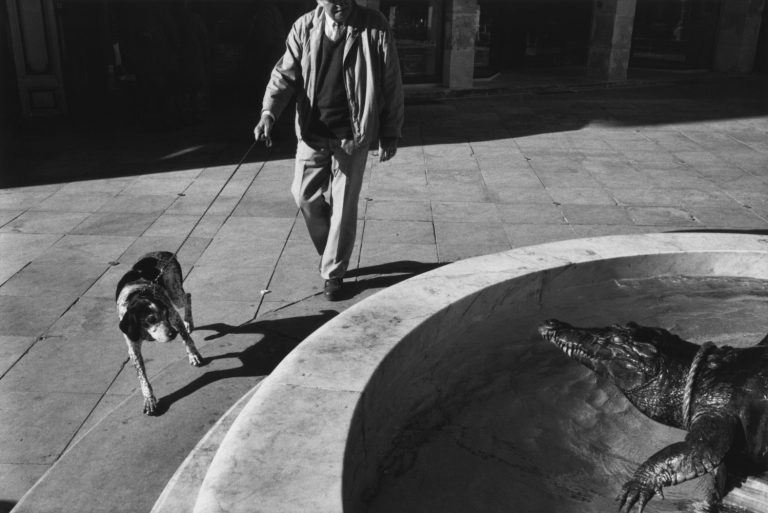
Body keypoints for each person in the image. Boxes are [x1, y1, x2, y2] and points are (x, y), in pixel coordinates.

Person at [254, 0, 404, 301]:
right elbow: (284, 74)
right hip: (312, 133)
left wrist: (390, 132)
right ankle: (333, 250)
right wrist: (269, 112)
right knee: (303, 196)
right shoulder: (304, 27)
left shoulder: (373, 25)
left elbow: (391, 81)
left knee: (344, 208)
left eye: (347, 0)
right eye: (335, 2)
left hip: (353, 135)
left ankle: (333, 273)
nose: (342, 6)